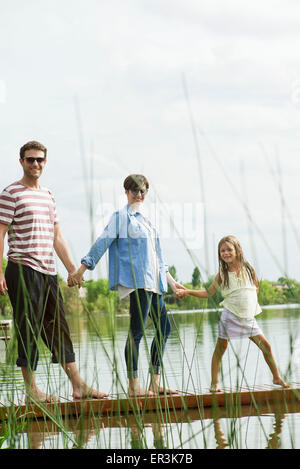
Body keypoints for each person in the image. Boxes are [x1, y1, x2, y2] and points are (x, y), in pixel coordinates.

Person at [0, 140, 108, 403]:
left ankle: (78, 385)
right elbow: (0, 233)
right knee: (28, 328)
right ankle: (32, 391)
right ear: (21, 162)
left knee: (58, 328)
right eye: (30, 159)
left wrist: (72, 269)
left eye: (39, 160)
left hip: (49, 272)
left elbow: (57, 236)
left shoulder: (48, 195)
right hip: (22, 270)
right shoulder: (10, 193)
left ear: (45, 163)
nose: (35, 164)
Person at [70, 174, 185, 397]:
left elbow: (158, 258)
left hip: (155, 284)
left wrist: (171, 282)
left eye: (143, 191)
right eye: (135, 191)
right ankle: (133, 386)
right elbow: (102, 242)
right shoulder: (121, 217)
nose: (139, 195)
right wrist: (82, 269)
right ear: (126, 192)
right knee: (137, 332)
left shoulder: (147, 222)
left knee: (165, 328)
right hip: (137, 282)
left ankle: (155, 383)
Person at [177, 235, 289, 392]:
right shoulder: (222, 274)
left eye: (229, 249)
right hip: (230, 316)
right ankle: (214, 383)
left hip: (247, 318)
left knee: (266, 346)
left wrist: (248, 304)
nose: (226, 253)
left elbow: (255, 288)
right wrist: (187, 291)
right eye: (222, 251)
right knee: (220, 348)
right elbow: (208, 293)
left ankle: (276, 377)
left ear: (238, 250)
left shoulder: (249, 269)